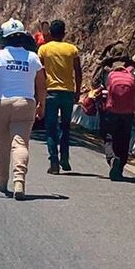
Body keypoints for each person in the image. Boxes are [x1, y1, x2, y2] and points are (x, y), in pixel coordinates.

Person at [0, 19, 45, 200]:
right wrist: (41, 104)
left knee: (2, 144)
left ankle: (3, 180)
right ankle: (19, 180)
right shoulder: (33, 58)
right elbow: (42, 85)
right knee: (20, 143)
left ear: (4, 38)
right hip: (25, 103)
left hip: (0, 104)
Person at [37, 19, 81, 174]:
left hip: (50, 92)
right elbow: (78, 71)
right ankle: (65, 158)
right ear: (64, 33)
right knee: (66, 127)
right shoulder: (72, 49)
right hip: (68, 93)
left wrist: (38, 93)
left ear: (50, 33)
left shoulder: (43, 49)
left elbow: (39, 72)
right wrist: (78, 91)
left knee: (50, 128)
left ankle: (54, 161)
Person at [100, 55, 135, 180]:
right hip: (128, 112)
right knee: (124, 138)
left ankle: (112, 158)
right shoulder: (133, 75)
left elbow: (106, 91)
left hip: (112, 110)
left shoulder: (111, 75)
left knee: (109, 137)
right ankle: (121, 166)